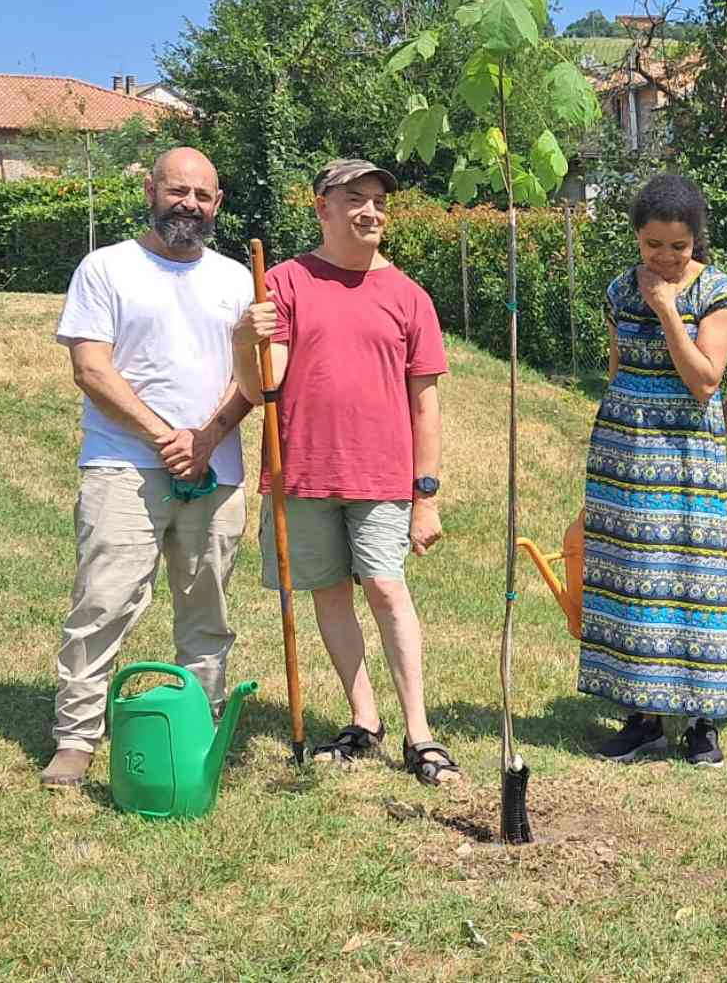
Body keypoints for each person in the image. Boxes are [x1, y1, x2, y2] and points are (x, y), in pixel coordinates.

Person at [232, 158, 459, 786]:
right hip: (302, 471)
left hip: (382, 476)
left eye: (379, 202)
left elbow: (425, 404)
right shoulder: (284, 283)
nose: (371, 212)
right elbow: (261, 386)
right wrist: (241, 340)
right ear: (321, 207)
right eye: (355, 199)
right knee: (329, 594)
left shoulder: (409, 296)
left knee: (386, 589)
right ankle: (365, 720)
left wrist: (427, 495)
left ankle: (420, 733)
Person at [42, 147, 255, 789]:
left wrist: (208, 435)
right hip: (121, 465)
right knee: (105, 600)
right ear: (149, 190)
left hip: (217, 469)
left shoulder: (238, 280)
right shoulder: (106, 268)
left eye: (203, 195)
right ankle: (76, 737)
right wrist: (168, 437)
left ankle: (202, 719)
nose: (189, 204)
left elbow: (253, 376)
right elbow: (91, 369)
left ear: (217, 204)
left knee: (207, 606)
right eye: (177, 190)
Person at [578, 174, 727, 767]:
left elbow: (704, 381)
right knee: (631, 579)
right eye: (654, 245)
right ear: (637, 239)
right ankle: (641, 717)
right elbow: (618, 367)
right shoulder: (619, 291)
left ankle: (700, 721)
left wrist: (668, 309)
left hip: (686, 454)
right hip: (626, 450)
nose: (666, 257)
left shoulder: (716, 293)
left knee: (692, 580)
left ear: (696, 239)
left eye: (679, 245)